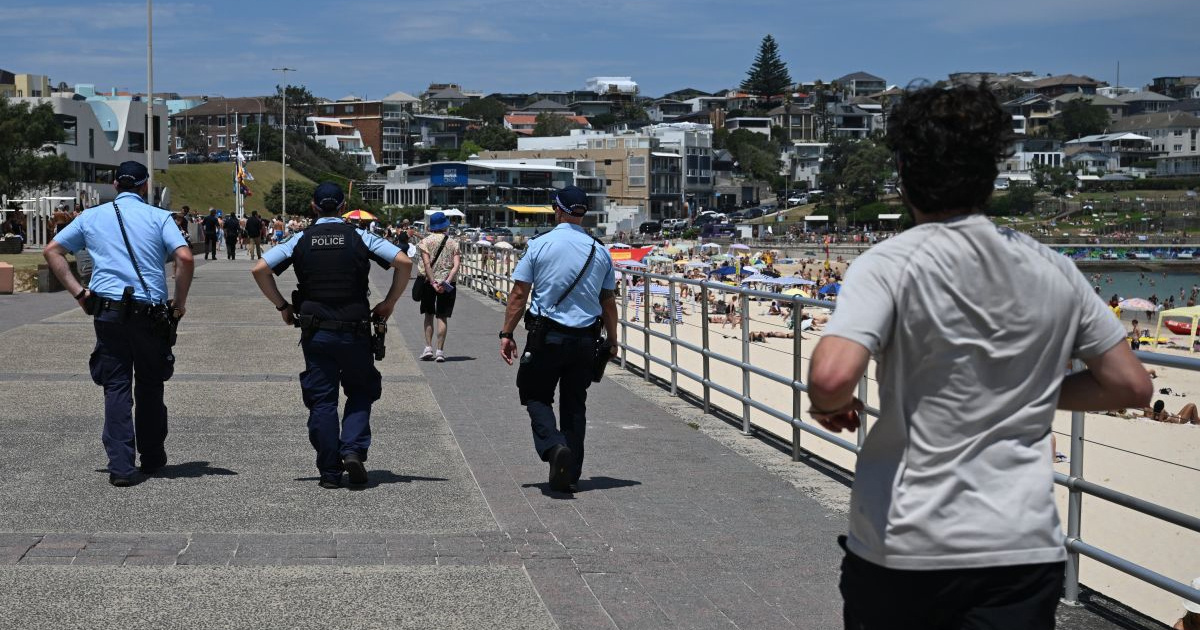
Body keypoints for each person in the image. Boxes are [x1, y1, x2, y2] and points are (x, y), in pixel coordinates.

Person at [806, 84, 1153, 630]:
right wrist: (1027, 391)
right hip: (1020, 548)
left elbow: (831, 375)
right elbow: (1131, 386)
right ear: (993, 169)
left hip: (906, 542)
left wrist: (832, 402)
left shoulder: (891, 262)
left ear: (901, 168)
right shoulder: (1052, 268)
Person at [42, 161, 194, 487]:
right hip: (150, 312)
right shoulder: (158, 217)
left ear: (114, 184)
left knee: (116, 386)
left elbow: (52, 250)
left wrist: (80, 294)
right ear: (144, 185)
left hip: (107, 310)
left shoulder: (91, 216)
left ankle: (122, 466)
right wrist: (178, 305)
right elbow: (184, 257)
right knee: (151, 384)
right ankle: (152, 456)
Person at [250, 182, 412, 489]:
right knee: (362, 390)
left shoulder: (299, 240)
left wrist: (282, 305)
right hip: (355, 331)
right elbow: (403, 262)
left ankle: (329, 471)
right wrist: (389, 303)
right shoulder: (360, 236)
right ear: (343, 206)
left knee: (322, 400)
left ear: (313, 207)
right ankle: (352, 448)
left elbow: (260, 269)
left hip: (316, 332)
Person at [499, 186, 618, 493]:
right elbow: (608, 303)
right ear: (583, 213)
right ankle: (570, 472)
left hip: (546, 337)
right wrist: (613, 340)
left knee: (535, 394)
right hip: (585, 341)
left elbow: (518, 294)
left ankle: (554, 448)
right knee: (575, 405)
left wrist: (507, 333)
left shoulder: (540, 245)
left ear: (558, 209)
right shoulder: (600, 250)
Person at [416, 211, 461, 362]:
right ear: (445, 226)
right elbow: (456, 266)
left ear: (432, 227)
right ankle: (440, 351)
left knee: (429, 314)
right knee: (442, 316)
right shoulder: (453, 243)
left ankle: (428, 348)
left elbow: (427, 264)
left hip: (429, 282)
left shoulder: (425, 242)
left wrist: (433, 282)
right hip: (448, 284)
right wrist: (446, 280)